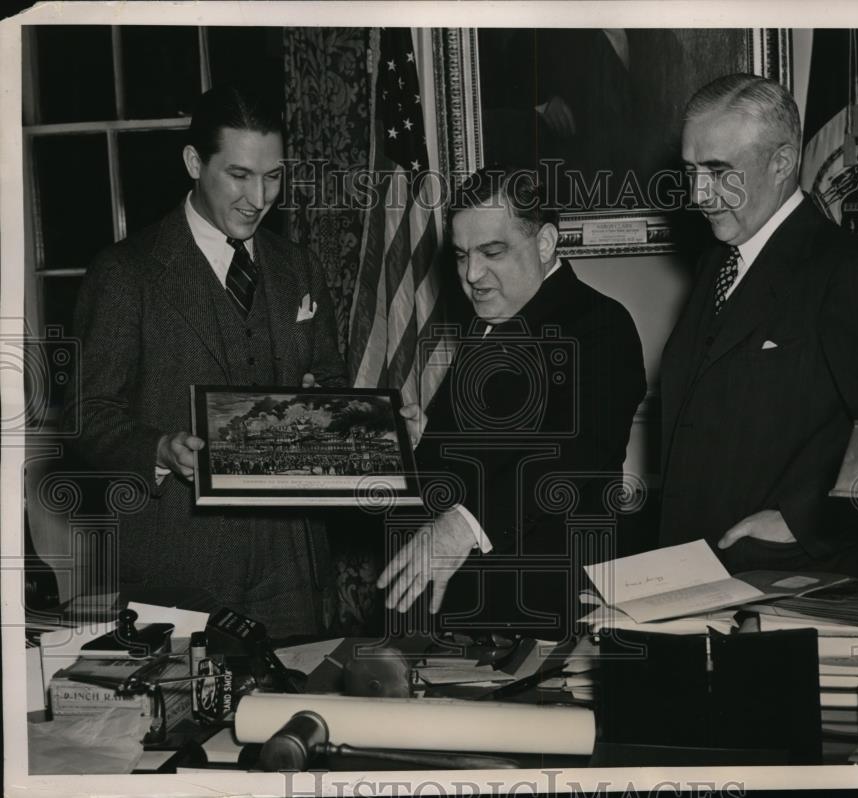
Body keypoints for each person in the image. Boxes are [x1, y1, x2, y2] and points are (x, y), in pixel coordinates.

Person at [63, 85, 348, 637]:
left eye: (273, 176)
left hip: (293, 559)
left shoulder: (300, 268)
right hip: (178, 560)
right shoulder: (126, 273)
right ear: (195, 162)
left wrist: (329, 407)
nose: (258, 197)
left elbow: (331, 379)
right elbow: (88, 412)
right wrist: (159, 450)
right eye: (239, 175)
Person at [658, 74, 858, 576]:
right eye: (690, 170)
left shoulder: (848, 270)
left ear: (782, 163)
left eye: (718, 171)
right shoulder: (716, 264)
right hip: (694, 572)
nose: (699, 193)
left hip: (787, 582)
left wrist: (804, 521)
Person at [377, 167, 647, 637]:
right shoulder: (489, 319)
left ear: (544, 244)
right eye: (461, 256)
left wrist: (463, 526)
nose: (471, 275)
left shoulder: (601, 324)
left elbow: (574, 455)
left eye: (491, 252)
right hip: (454, 618)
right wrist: (422, 444)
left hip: (542, 616)